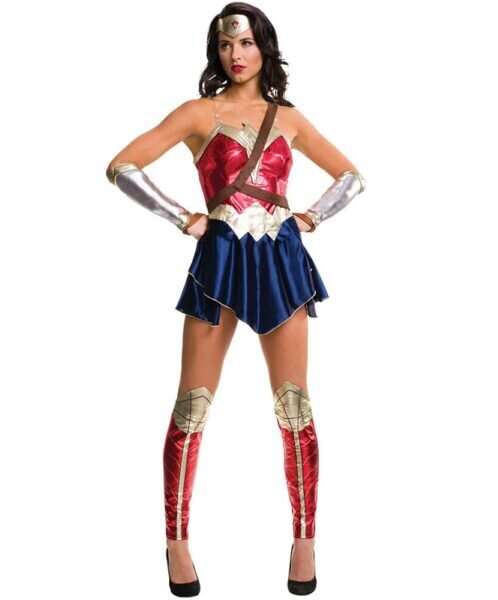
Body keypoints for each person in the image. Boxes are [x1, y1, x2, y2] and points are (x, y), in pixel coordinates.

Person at [105, 3, 366, 596]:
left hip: (281, 263)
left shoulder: (290, 118)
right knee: (191, 407)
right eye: (226, 45)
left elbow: (351, 177)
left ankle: (305, 539)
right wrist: (182, 217)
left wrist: (311, 217)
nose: (236, 54)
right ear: (216, 51)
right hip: (219, 263)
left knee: (294, 407)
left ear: (263, 47)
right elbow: (122, 166)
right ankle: (176, 540)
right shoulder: (198, 112)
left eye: (246, 43)